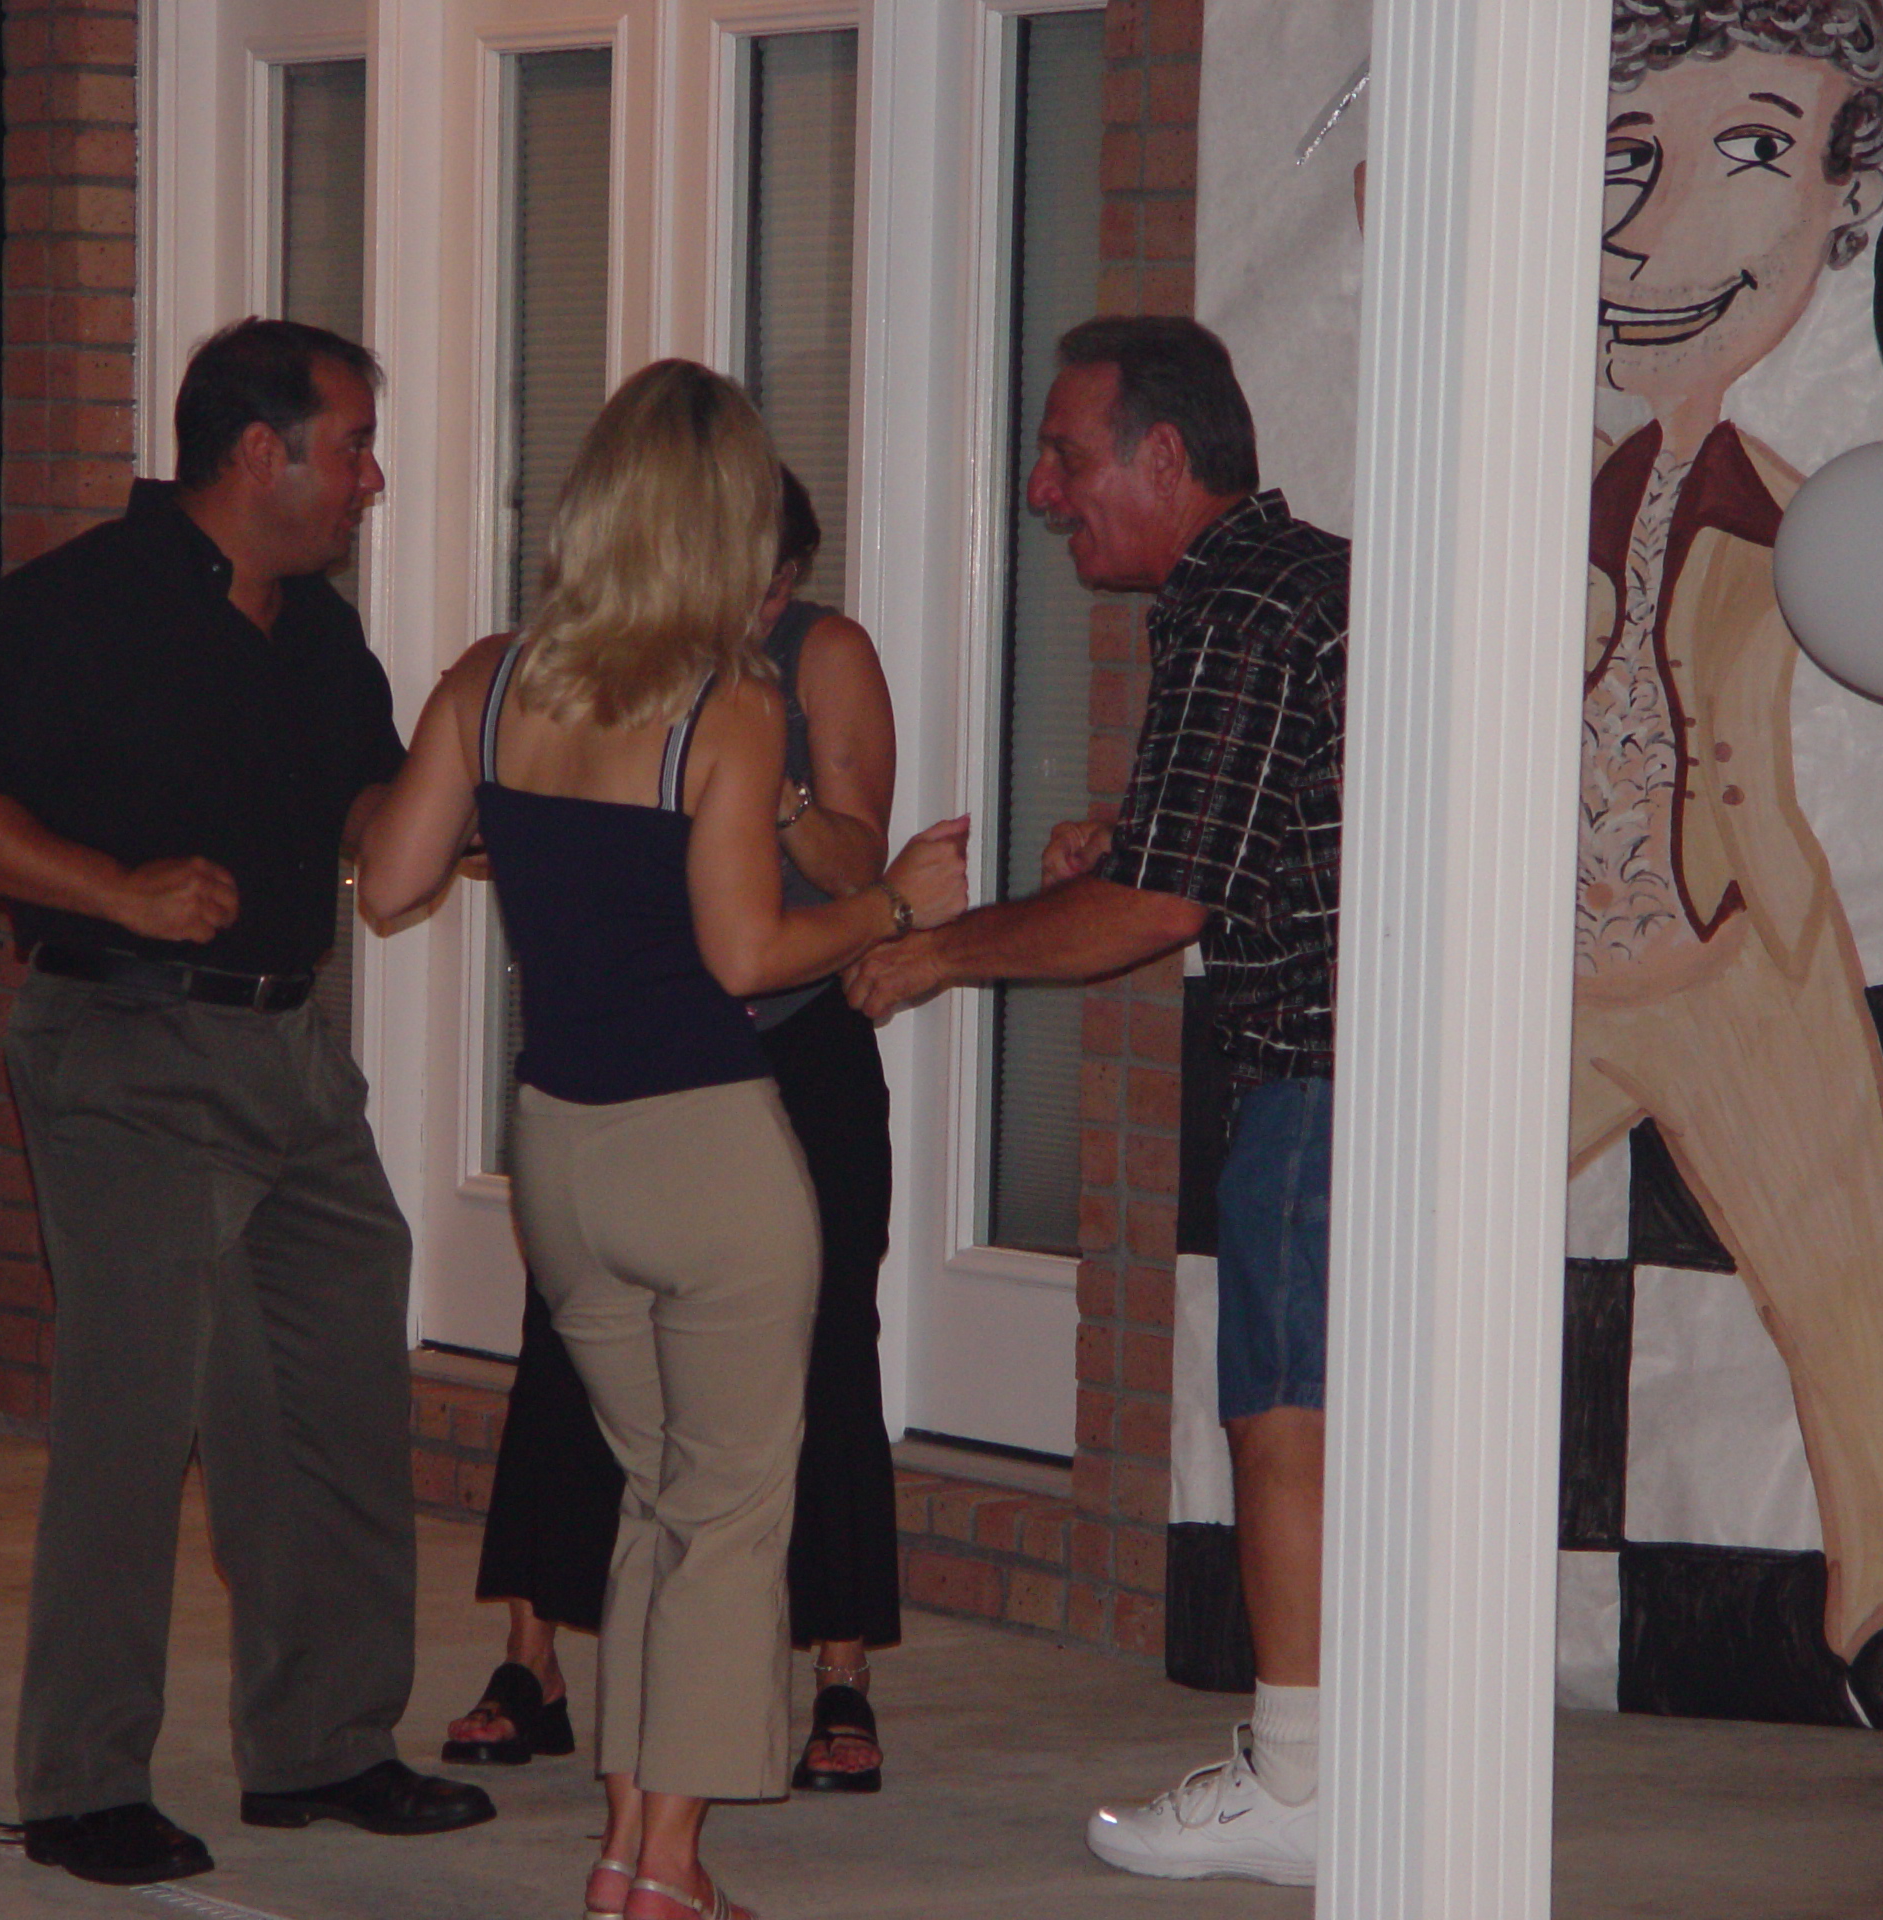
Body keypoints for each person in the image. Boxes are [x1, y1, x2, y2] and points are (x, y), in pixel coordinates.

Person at [0, 318, 492, 1889]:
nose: (371, 479)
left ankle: (325, 1746)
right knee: (134, 1419)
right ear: (258, 452)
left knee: (336, 1401)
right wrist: (113, 888)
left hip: (292, 1054)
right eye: (353, 446)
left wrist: (463, 787)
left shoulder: (318, 635)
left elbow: (367, 811)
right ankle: (82, 1785)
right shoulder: (74, 606)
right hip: (128, 1045)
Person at [358, 360, 965, 1920]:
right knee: (729, 1512)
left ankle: (627, 1851)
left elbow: (392, 883)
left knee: (656, 1492)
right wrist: (895, 906)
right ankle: (670, 1869)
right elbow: (749, 954)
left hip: (560, 1152)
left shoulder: (489, 677)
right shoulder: (730, 707)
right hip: (705, 1152)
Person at [849, 315, 1345, 1888]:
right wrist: (1132, 836)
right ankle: (1352, 1753)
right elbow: (1277, 822)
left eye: (1066, 457)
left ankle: (1303, 1780)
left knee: (1283, 1419)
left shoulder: (1238, 605)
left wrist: (935, 954)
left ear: (1165, 457)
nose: (1043, 493)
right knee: (1323, 1416)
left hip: (1318, 1070)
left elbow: (1160, 911)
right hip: (1377, 1076)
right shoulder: (1294, 582)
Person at [1579, 0, 1883, 1725]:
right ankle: (1366, 1519)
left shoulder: (1813, 515)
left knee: (1856, 1264)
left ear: (1838, 203)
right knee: (1397, 1226)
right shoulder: (1533, 515)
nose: (1664, 226)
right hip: (1556, 972)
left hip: (1743, 953)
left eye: (1751, 153)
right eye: (1624, 158)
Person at [441, 467, 905, 1797]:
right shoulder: (597, 660)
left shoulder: (812, 662)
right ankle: (535, 1655)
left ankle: (836, 1671)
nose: (755, 604)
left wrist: (780, 800)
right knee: (573, 1349)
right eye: (740, 577)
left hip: (789, 1041)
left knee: (822, 1344)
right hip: (633, 1057)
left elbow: (857, 867)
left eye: (774, 587)